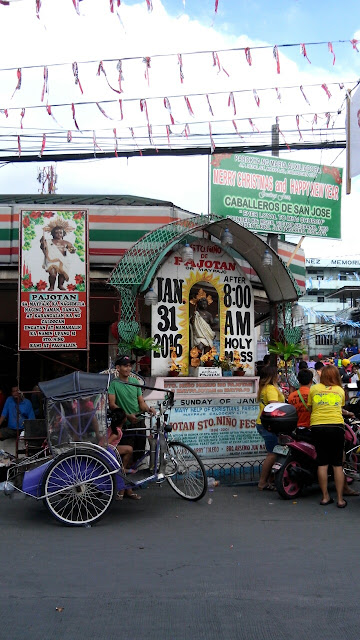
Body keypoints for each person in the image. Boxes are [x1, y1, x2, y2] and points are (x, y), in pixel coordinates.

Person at [307, 365, 348, 508]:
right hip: (336, 426)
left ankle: (325, 497)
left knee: (322, 463)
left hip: (317, 426)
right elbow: (340, 408)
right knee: (337, 464)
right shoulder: (340, 390)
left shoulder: (314, 389)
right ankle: (340, 499)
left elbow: (310, 408)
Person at [108, 355, 157, 464]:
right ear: (118, 368)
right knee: (126, 455)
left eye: (130, 366)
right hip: (125, 425)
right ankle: (124, 477)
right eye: (125, 366)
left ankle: (136, 476)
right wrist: (126, 415)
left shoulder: (135, 382)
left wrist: (149, 409)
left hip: (139, 422)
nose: (128, 368)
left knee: (139, 453)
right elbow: (112, 404)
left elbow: (141, 403)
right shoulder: (114, 384)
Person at [256, 366, 285, 491]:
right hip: (269, 424)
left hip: (263, 422)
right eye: (277, 374)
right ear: (272, 376)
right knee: (272, 454)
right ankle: (262, 482)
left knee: (274, 452)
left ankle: (271, 480)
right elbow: (274, 405)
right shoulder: (271, 389)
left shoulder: (264, 388)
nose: (278, 376)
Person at [102, 408, 141, 501]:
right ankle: (123, 468)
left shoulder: (112, 428)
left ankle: (123, 470)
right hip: (109, 450)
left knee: (128, 449)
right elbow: (106, 444)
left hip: (112, 448)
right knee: (129, 449)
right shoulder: (117, 432)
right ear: (124, 419)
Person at [40, 224, 76, 291]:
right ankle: (51, 286)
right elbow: (43, 248)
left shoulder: (66, 243)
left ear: (63, 233)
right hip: (52, 260)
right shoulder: (48, 241)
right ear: (53, 233)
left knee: (62, 273)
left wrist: (73, 250)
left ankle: (60, 285)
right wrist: (42, 243)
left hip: (63, 260)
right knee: (53, 274)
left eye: (60, 233)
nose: (58, 234)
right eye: (56, 233)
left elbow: (72, 251)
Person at [288, 369, 313, 433]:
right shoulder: (314, 394)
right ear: (311, 381)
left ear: (298, 381)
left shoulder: (291, 396)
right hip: (311, 428)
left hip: (297, 429)